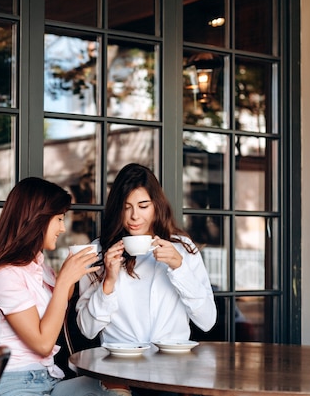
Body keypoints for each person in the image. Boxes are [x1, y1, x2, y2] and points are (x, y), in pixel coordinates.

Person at [74, 163, 217, 395]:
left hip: (174, 373)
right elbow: (87, 330)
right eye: (126, 207)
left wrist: (179, 268)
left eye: (143, 206)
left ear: (156, 206)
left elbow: (207, 321)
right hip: (120, 375)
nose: (134, 216)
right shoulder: (99, 252)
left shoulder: (182, 248)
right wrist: (108, 281)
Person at [0, 177, 112, 396]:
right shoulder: (4, 275)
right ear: (37, 220)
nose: (63, 228)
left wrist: (72, 273)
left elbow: (61, 299)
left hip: (46, 378)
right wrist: (64, 281)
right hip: (11, 382)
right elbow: (43, 344)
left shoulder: (38, 265)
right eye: (59, 219)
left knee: (113, 387)